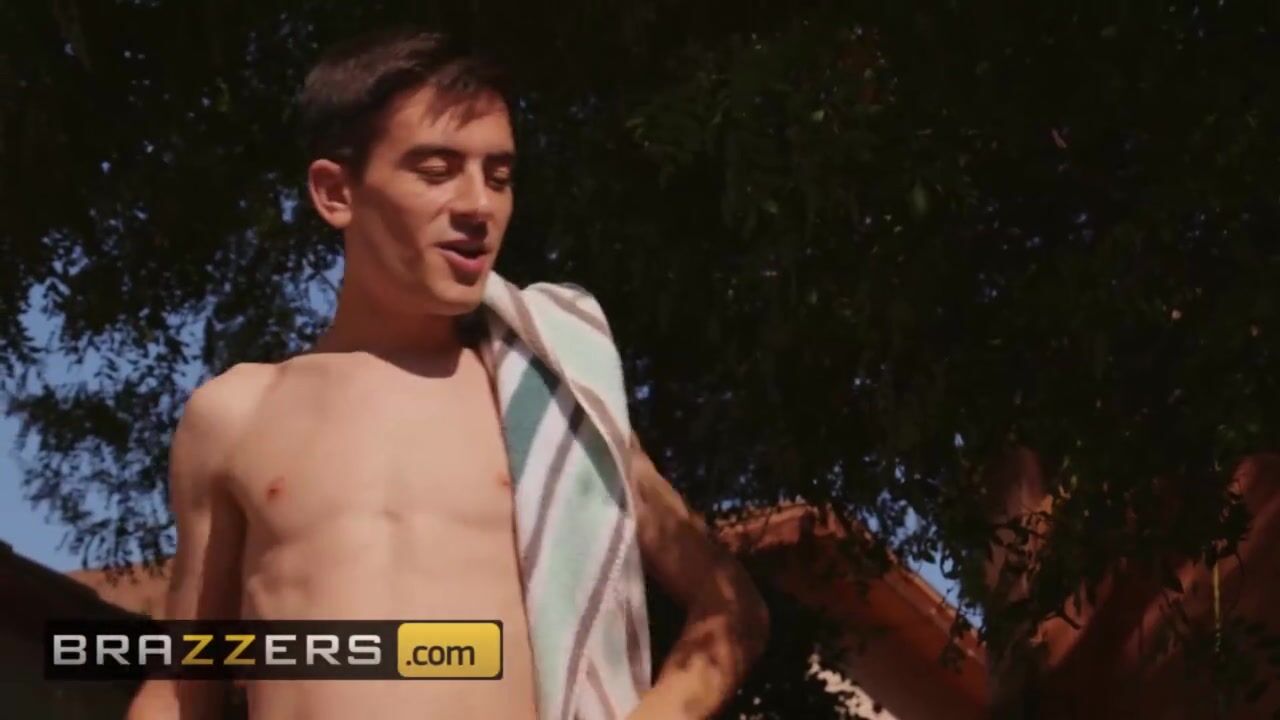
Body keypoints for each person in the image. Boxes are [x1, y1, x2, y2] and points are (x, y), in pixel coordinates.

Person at [125, 27, 769, 720]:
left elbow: (728, 607)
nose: (478, 206)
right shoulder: (236, 415)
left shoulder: (547, 398)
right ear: (336, 192)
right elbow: (182, 685)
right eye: (436, 171)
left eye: (499, 177)